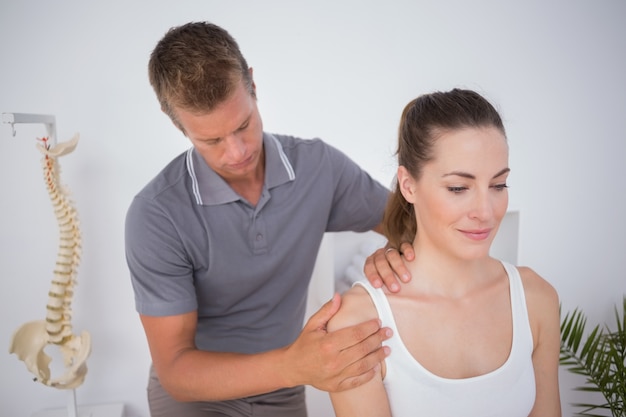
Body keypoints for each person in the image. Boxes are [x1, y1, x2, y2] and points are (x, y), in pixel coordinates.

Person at [125, 21, 413, 417]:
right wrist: (293, 365)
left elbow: (408, 224)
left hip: (285, 390)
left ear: (253, 86)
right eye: (211, 141)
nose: (237, 152)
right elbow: (174, 368)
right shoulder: (156, 215)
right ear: (174, 120)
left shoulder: (318, 167)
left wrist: (396, 247)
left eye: (243, 124)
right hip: (196, 398)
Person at [328, 89, 562, 416]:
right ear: (408, 186)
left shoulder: (536, 298)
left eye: (498, 185)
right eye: (458, 188)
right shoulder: (360, 322)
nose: (486, 211)